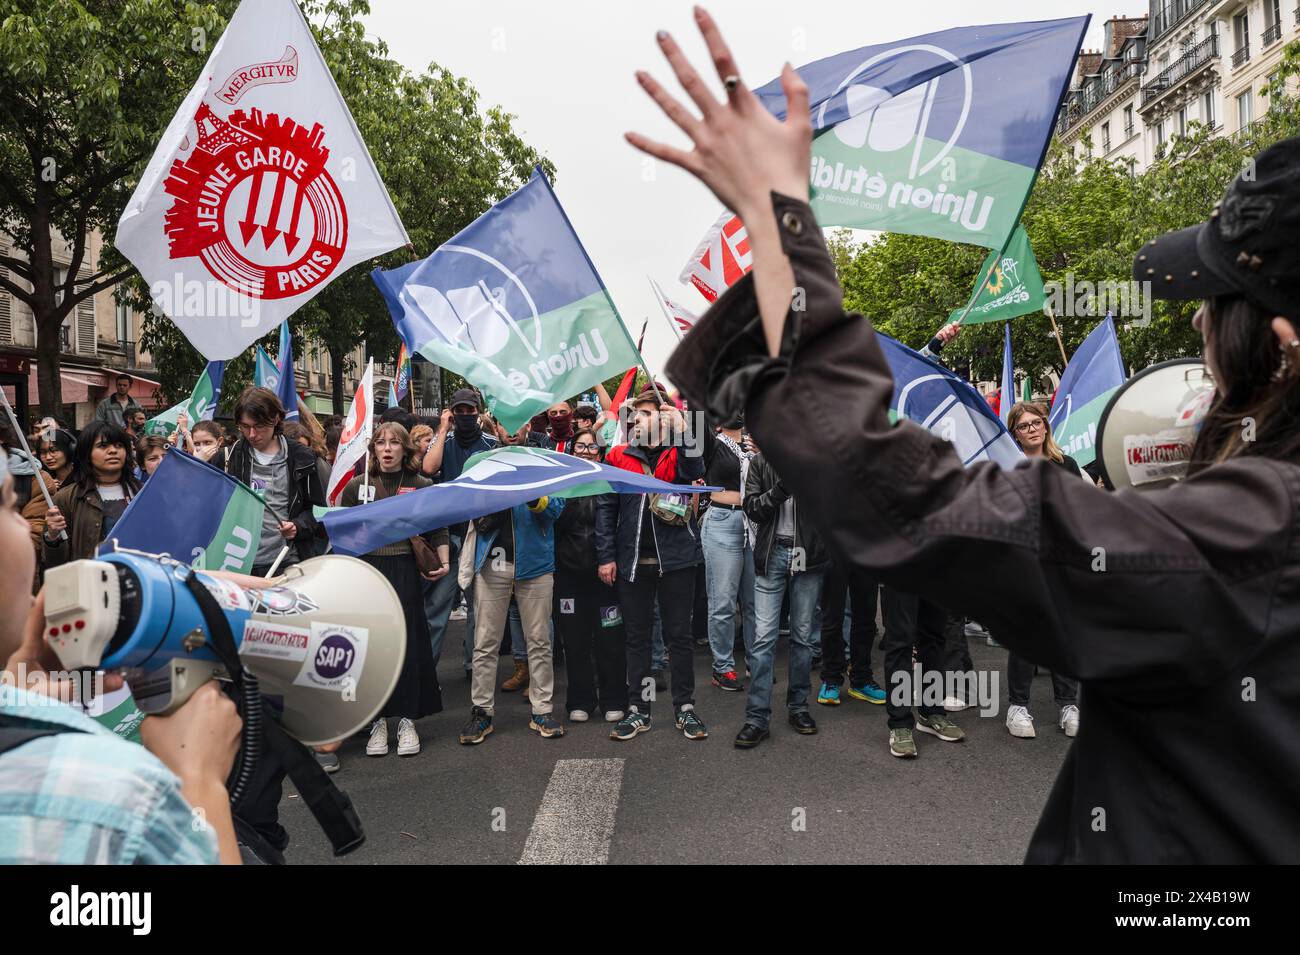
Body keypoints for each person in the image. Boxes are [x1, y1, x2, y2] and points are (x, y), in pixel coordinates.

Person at [645, 17, 1300, 861]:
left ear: (1279, 343)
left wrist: (781, 226)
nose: (1202, 327)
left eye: (1218, 304)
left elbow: (907, 502)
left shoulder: (1259, 530)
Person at [595, 386, 709, 742]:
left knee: (679, 638)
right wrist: (606, 556)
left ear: (663, 417)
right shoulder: (617, 455)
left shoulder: (678, 451)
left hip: (676, 560)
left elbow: (696, 469)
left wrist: (686, 429)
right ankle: (640, 710)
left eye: (645, 413)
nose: (637, 420)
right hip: (632, 562)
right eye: (635, 414)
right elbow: (605, 507)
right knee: (637, 639)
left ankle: (685, 709)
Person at [341, 422, 448, 758]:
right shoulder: (357, 487)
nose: (387, 449)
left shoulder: (421, 485)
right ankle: (377, 721)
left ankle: (406, 720)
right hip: (367, 572)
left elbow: (439, 527)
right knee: (372, 647)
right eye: (380, 443)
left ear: (405, 449)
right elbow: (344, 534)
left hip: (404, 570)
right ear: (372, 450)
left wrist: (442, 561)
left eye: (394, 443)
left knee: (408, 644)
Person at [458, 490, 566, 744]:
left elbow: (556, 509)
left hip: (535, 565)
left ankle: (542, 710)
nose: (512, 444)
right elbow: (467, 505)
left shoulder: (542, 463)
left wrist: (534, 498)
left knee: (539, 641)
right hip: (491, 564)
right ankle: (481, 711)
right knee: (485, 642)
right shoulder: (486, 464)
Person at [1001, 401, 1082, 739]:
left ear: (1046, 426)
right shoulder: (1009, 468)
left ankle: (1068, 704)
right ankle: (1017, 707)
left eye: (1037, 423)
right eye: (1024, 426)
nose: (1032, 429)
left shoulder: (1066, 464)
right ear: (1015, 434)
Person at [736, 449, 824, 746]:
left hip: (808, 557)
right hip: (772, 554)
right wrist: (781, 489)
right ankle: (757, 717)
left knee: (802, 637)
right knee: (763, 639)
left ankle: (798, 707)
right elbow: (752, 508)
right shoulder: (760, 463)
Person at [421, 388, 498, 675]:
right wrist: (442, 429)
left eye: (470, 410)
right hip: (450, 538)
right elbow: (429, 467)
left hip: (482, 535)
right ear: (452, 412)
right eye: (460, 411)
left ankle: (474, 667)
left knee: (479, 611)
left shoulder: (491, 444)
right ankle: (427, 674)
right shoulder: (446, 440)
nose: (465, 416)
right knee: (438, 609)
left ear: (478, 412)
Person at [553, 428, 627, 723]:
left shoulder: (610, 482)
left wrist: (609, 560)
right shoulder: (559, 484)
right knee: (575, 640)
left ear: (601, 452)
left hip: (604, 575)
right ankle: (579, 700)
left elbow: (616, 527)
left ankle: (614, 699)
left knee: (610, 638)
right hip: (568, 574)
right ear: (571, 452)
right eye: (579, 447)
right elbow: (552, 525)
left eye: (592, 447)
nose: (585, 452)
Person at [225, 387, 325, 576]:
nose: (252, 434)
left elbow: (317, 513)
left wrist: (297, 526)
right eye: (245, 427)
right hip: (238, 562)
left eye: (259, 426)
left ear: (276, 419)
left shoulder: (303, 457)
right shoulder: (232, 454)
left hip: (287, 562)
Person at [699, 420, 755, 691]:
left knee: (755, 603)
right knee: (723, 602)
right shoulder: (711, 443)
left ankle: (757, 662)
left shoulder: (753, 445)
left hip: (755, 524)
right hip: (723, 522)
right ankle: (723, 667)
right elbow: (694, 419)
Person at [42, 421, 140, 566]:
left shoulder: (142, 493)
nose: (113, 450)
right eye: (103, 446)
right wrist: (52, 537)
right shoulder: (66, 498)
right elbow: (55, 563)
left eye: (119, 445)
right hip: (90, 583)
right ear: (87, 453)